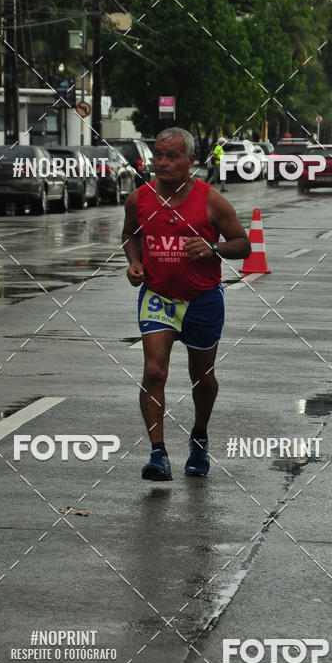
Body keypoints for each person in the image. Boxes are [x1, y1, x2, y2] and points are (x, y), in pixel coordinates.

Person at [122, 127, 251, 482]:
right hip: (158, 298)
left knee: (203, 378)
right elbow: (130, 235)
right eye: (157, 156)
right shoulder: (139, 199)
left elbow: (243, 244)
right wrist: (135, 263)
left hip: (203, 299)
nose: (161, 163)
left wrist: (213, 248)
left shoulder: (211, 200)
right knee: (153, 371)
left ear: (191, 161)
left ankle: (199, 437)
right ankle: (158, 454)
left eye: (172, 157)